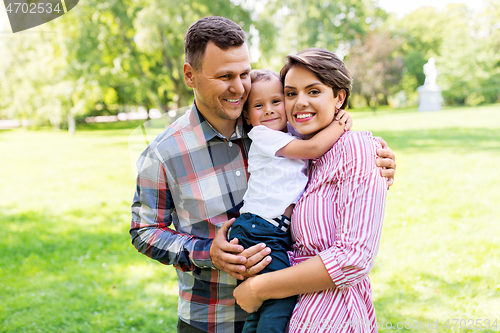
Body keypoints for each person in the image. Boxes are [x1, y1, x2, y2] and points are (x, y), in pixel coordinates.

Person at [130, 17, 396, 333]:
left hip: (291, 310)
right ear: (190, 75)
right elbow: (144, 230)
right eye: (225, 76)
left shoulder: (275, 123)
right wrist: (207, 252)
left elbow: (332, 156)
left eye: (244, 74)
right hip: (211, 318)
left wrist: (380, 164)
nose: (239, 87)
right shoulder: (163, 152)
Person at [233, 48, 389, 333]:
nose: (299, 103)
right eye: (291, 93)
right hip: (299, 311)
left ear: (339, 97)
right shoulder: (305, 152)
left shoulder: (354, 148)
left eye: (313, 91)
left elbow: (354, 257)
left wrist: (259, 287)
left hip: (333, 317)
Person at [227, 69, 352, 333]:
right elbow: (313, 149)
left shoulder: (290, 135)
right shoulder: (262, 136)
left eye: (277, 101)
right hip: (259, 228)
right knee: (281, 298)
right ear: (248, 116)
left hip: (270, 228)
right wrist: (339, 124)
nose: (270, 110)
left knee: (268, 300)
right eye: (258, 106)